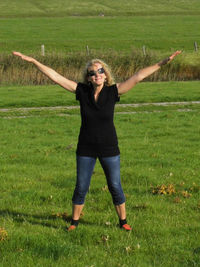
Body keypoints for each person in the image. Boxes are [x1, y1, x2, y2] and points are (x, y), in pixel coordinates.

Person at [12, 50, 181, 231]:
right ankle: (74, 223)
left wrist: (162, 63)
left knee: (115, 185)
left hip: (109, 148)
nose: (97, 75)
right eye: (92, 73)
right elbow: (55, 76)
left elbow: (138, 76)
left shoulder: (113, 92)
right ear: (89, 78)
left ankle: (123, 222)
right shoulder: (82, 92)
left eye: (100, 71)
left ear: (106, 75)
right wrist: (34, 61)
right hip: (86, 148)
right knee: (81, 186)